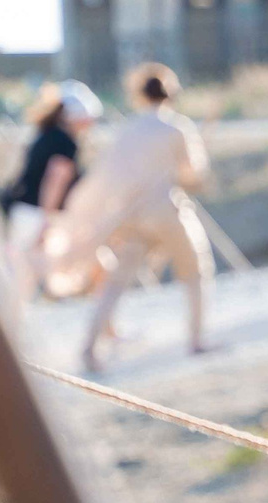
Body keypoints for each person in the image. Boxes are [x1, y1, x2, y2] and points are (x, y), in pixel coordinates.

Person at [54, 62, 214, 372]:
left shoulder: (127, 131)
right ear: (170, 94)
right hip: (167, 211)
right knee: (195, 271)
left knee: (115, 284)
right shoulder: (177, 128)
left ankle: (89, 348)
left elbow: (109, 178)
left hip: (132, 216)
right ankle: (196, 341)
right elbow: (195, 176)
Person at [0, 79, 100, 301]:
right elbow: (56, 180)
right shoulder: (65, 142)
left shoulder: (46, 133)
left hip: (23, 211)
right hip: (37, 214)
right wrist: (47, 220)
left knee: (20, 275)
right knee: (28, 277)